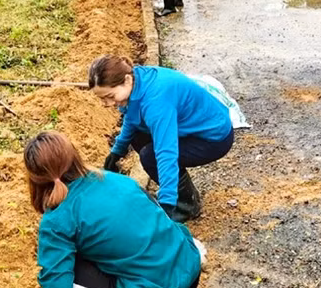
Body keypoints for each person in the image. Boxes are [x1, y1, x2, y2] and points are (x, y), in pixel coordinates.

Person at [26, 131, 205, 288]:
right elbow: (159, 217)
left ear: (35, 180)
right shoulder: (116, 180)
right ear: (75, 157)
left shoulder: (57, 219)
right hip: (189, 272)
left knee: (67, 273)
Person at [89, 56, 235, 223]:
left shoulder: (155, 101)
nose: (107, 103)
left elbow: (167, 153)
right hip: (190, 129)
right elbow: (132, 116)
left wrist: (166, 203)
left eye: (109, 96)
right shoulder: (138, 80)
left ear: (127, 80)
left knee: (149, 156)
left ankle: (186, 206)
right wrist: (117, 151)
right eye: (102, 99)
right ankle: (186, 195)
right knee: (137, 136)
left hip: (213, 138)